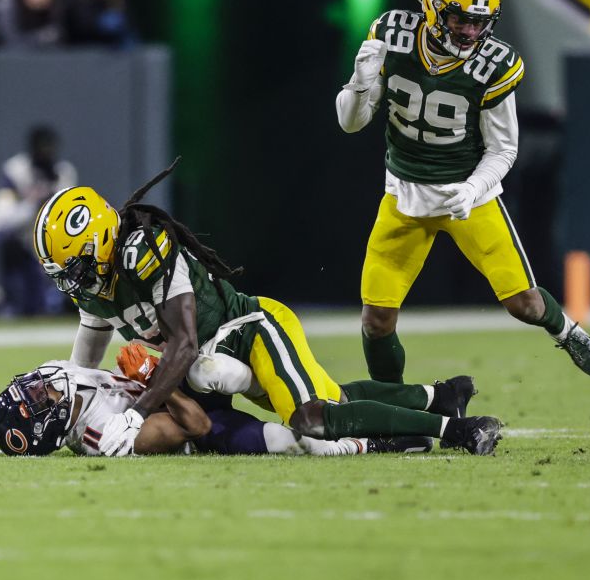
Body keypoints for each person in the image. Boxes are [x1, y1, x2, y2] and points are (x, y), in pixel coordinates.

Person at [29, 165, 502, 458]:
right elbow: (84, 363)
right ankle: (440, 396)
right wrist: (72, 402)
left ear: (103, 240)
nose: (73, 278)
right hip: (204, 366)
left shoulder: (146, 251)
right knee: (328, 399)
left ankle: (456, 429)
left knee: (312, 417)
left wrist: (136, 412)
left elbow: (185, 341)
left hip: (246, 332)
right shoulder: (96, 286)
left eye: (75, 263)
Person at [333, 0, 590, 382]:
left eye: (481, 21)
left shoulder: (493, 64)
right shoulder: (392, 35)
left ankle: (569, 330)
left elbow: (503, 150)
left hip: (467, 194)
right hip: (404, 193)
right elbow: (350, 123)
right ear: (433, 8)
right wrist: (359, 83)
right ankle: (400, 410)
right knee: (375, 320)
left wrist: (472, 188)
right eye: (461, 19)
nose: (471, 31)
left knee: (525, 304)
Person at [0, 354, 436, 457]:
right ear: (49, 427)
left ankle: (430, 398)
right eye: (37, 398)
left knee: (292, 388)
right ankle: (374, 444)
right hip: (200, 425)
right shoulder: (102, 437)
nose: (41, 385)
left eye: (31, 388)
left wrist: (158, 356)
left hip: (173, 389)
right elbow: (196, 425)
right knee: (290, 441)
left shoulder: (60, 378)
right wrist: (156, 380)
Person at [0, 126, 76, 316]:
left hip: (42, 236)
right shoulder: (15, 170)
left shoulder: (63, 172)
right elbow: (2, 218)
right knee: (20, 292)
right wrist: (32, 202)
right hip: (12, 234)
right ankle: (12, 304)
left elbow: (67, 216)